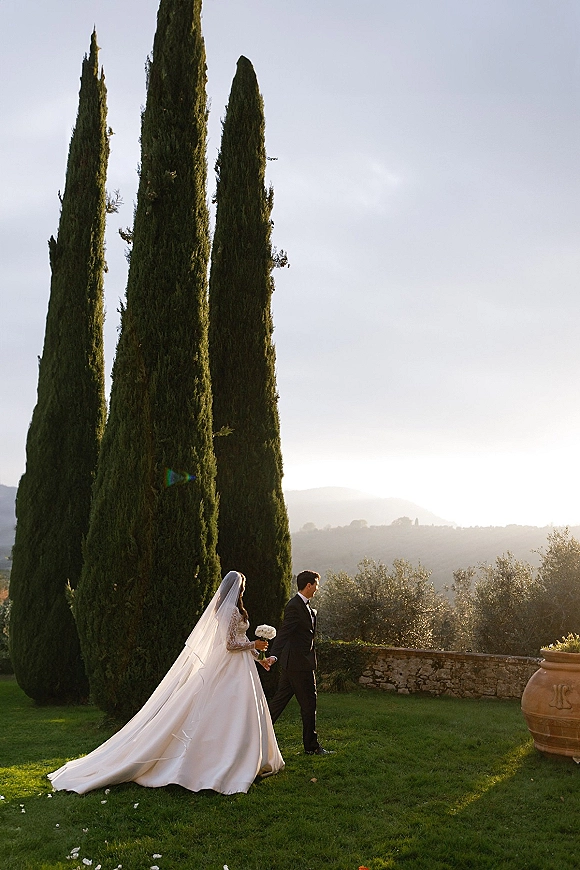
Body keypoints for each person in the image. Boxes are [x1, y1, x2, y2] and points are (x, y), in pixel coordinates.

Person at [48, 571, 284, 795]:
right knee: (229, 712)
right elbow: (230, 645)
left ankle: (246, 757)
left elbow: (240, 640)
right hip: (230, 671)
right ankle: (222, 761)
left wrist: (260, 660)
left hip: (240, 668)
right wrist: (255, 645)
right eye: (242, 585)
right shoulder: (231, 611)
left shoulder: (231, 609)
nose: (244, 588)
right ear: (236, 587)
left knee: (242, 712)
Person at [267, 570, 332, 755]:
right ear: (309, 585)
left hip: (293, 665)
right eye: (316, 585)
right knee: (309, 705)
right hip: (299, 665)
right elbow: (284, 632)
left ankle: (256, 733)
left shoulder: (305, 606)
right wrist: (274, 655)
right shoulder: (294, 606)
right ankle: (311, 747)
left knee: (279, 702)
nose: (318, 589)